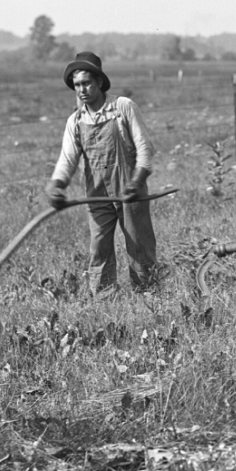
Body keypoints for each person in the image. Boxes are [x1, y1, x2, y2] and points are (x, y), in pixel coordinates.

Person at [45, 52, 159, 293]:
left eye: (86, 83)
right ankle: (105, 302)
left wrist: (138, 181)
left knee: (139, 247)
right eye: (77, 85)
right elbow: (68, 158)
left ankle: (149, 298)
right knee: (99, 249)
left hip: (129, 189)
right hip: (96, 193)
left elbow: (145, 148)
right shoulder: (75, 121)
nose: (82, 90)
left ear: (99, 82)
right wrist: (57, 184)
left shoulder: (122, 108)